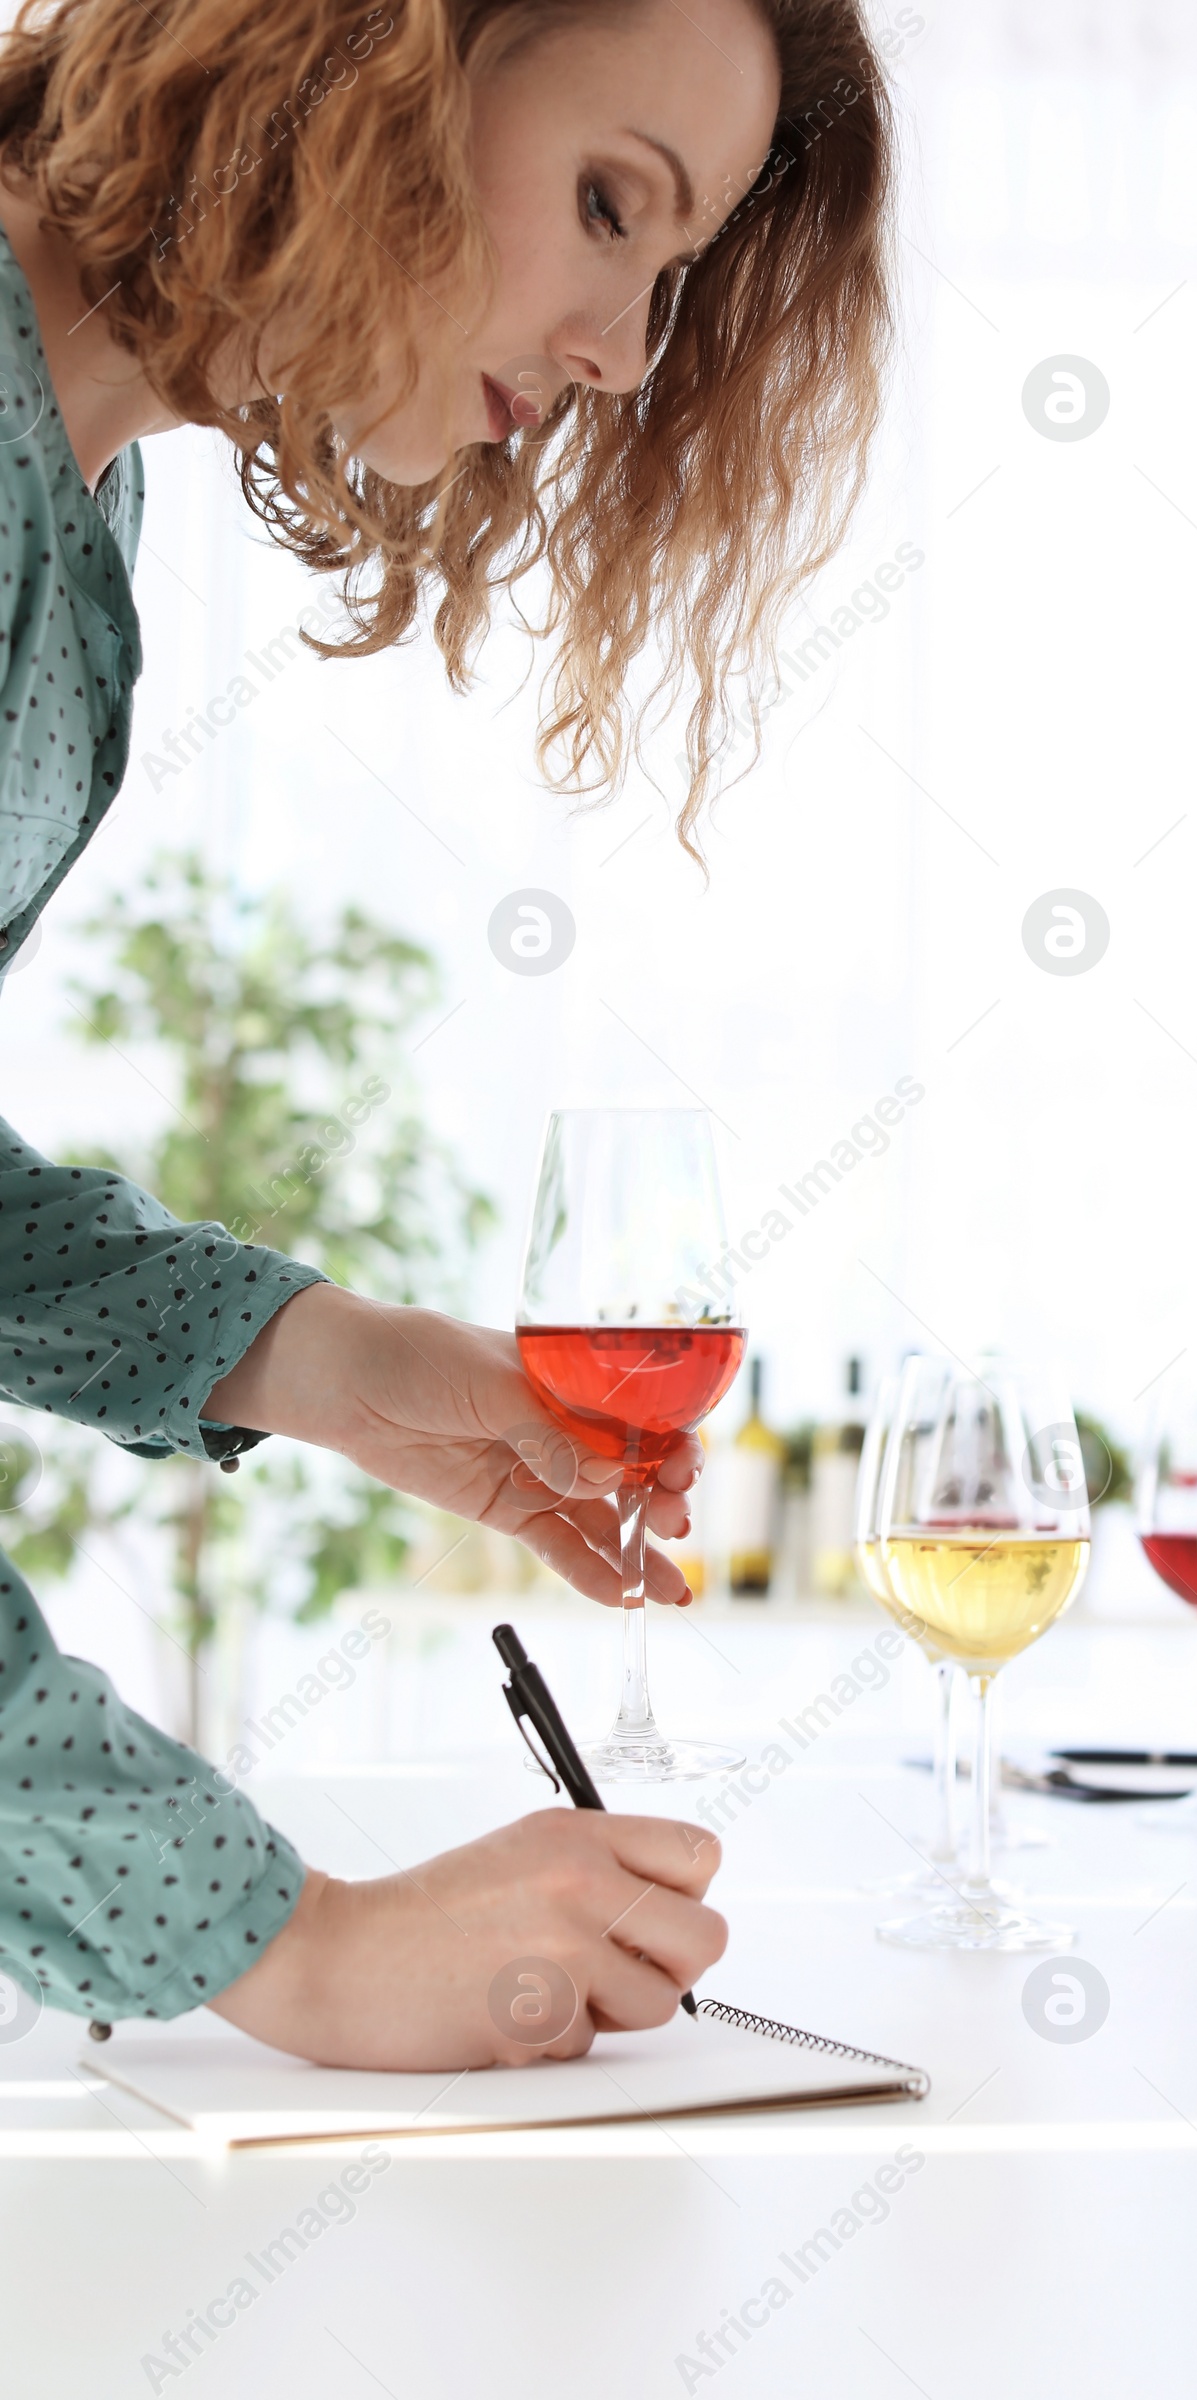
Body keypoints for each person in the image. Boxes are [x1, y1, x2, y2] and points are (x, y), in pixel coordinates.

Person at [0, 0, 891, 2067]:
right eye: (605, 205)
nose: (621, 353)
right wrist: (281, 1945)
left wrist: (311, 1356)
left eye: (664, 275)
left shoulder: (78, 478)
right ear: (345, 55)